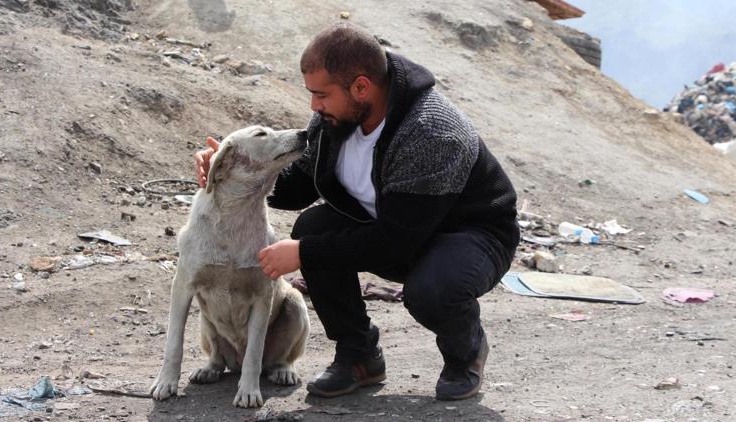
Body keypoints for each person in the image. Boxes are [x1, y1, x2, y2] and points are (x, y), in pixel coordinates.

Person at [194, 22, 519, 401]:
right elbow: (297, 187)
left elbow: (394, 244)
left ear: (361, 87)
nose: (314, 107)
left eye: (321, 95)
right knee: (313, 227)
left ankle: (466, 353)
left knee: (431, 290)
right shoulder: (337, 116)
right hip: (396, 227)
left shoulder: (431, 132)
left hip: (473, 237)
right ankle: (359, 357)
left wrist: (302, 254)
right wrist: (233, 171)